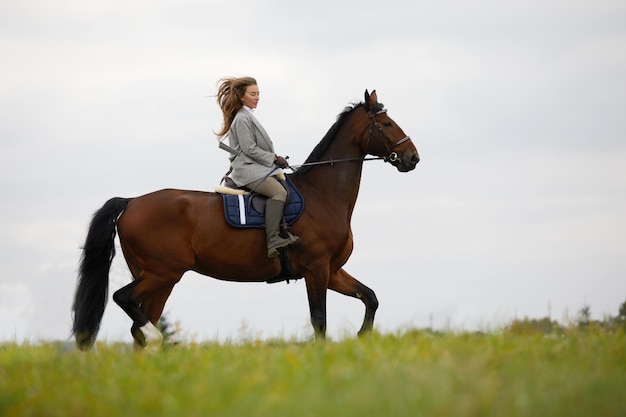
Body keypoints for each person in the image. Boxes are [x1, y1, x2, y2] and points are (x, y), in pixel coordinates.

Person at [215, 76, 300, 258]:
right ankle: (273, 239)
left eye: (258, 94)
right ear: (241, 97)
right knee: (279, 193)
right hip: (247, 170)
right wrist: (273, 158)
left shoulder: (247, 116)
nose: (257, 97)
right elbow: (250, 149)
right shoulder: (242, 119)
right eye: (252, 94)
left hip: (256, 166)